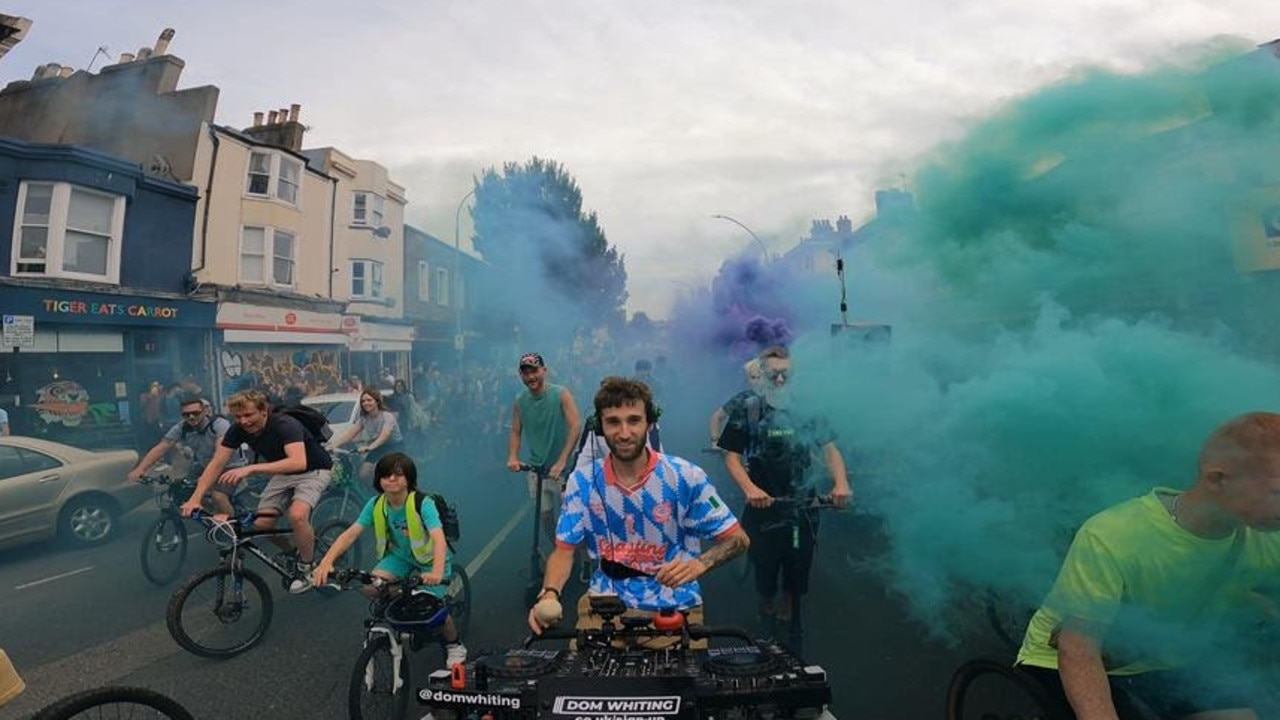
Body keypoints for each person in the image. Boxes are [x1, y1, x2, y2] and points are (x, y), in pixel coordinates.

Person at [1015, 411, 1280, 720]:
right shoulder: (1113, 536)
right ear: (1217, 479)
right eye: (1278, 492)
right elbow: (1077, 650)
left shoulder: (1265, 532)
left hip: (1167, 659)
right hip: (1080, 660)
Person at [528, 376, 749, 647]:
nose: (623, 433)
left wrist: (699, 564)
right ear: (599, 427)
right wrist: (549, 594)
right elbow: (564, 550)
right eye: (613, 422)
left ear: (650, 423)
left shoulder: (686, 476)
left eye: (633, 420)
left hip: (675, 608)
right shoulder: (581, 481)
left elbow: (738, 538)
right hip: (603, 605)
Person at [718, 345, 852, 646]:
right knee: (765, 568)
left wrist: (841, 483)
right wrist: (750, 489)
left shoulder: (808, 406)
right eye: (774, 374)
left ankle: (788, 612)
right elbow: (732, 457)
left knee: (798, 564)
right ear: (762, 374)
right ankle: (765, 612)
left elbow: (829, 449)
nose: (780, 380)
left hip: (802, 505)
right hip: (762, 507)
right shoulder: (748, 409)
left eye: (786, 375)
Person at [313, 452, 467, 667]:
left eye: (398, 475)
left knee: (431, 606)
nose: (391, 479)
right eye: (386, 475)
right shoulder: (376, 504)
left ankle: (454, 644)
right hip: (398, 558)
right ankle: (404, 609)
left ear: (409, 479)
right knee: (369, 587)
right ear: (379, 480)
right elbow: (350, 533)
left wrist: (437, 572)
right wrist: (326, 562)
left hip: (430, 560)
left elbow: (438, 538)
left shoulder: (423, 503)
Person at [180, 389, 333, 593]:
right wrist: (195, 499)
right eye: (238, 417)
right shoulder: (237, 430)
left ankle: (307, 568)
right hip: (282, 473)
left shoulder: (285, 424)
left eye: (248, 415)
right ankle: (292, 551)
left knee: (297, 515)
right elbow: (217, 463)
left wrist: (251, 468)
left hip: (313, 469)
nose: (244, 421)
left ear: (264, 411)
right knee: (262, 524)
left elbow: (298, 461)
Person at [506, 352, 582, 546]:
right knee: (546, 517)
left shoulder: (560, 393)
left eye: (534, 371)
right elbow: (515, 430)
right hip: (537, 469)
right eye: (526, 373)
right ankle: (559, 550)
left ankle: (583, 558)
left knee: (573, 517)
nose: (531, 377)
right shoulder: (520, 401)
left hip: (564, 470)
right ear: (520, 375)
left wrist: (563, 460)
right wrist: (513, 456)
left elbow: (575, 425)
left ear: (544, 371)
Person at [128, 395, 246, 514]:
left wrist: (206, 478)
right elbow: (162, 447)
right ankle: (211, 511)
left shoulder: (219, 424)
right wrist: (140, 469)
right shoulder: (181, 427)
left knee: (218, 496)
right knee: (182, 490)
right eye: (186, 414)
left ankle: (229, 527)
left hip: (229, 466)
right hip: (204, 465)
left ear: (204, 411)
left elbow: (220, 456)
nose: (191, 417)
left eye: (195, 413)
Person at [329, 388, 405, 484]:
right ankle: (373, 491)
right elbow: (349, 435)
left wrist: (369, 447)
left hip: (394, 447)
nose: (365, 403)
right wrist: (333, 445)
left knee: (381, 470)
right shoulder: (364, 419)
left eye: (369, 400)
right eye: (363, 401)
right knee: (363, 474)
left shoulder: (387, 416)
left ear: (377, 402)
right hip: (378, 447)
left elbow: (384, 436)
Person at [708, 358, 766, 449]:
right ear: (748, 379)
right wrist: (715, 442)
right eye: (753, 377)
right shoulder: (743, 398)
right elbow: (716, 417)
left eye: (760, 377)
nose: (757, 381)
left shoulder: (781, 397)